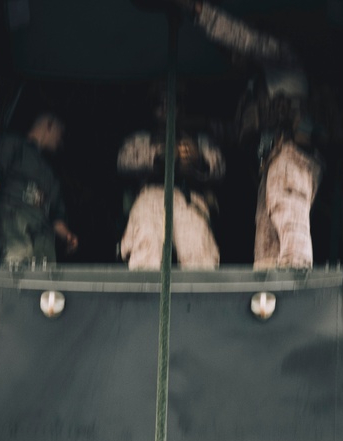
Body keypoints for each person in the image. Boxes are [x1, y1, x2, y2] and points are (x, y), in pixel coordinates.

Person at [172, 0, 322, 270]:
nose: (232, 57)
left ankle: (297, 266)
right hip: (270, 162)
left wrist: (198, 10)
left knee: (286, 200)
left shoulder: (284, 62)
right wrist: (196, 124)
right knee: (266, 232)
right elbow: (236, 132)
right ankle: (271, 285)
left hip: (292, 153)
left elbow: (249, 41)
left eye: (233, 51)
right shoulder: (252, 95)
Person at [117, 91, 225, 269]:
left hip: (189, 197)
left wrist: (198, 158)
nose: (167, 109)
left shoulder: (199, 139)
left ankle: (198, 294)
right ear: (152, 108)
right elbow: (123, 162)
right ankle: (145, 291)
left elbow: (219, 168)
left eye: (173, 103)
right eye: (161, 103)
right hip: (150, 194)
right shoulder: (141, 139)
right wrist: (158, 156)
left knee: (196, 245)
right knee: (146, 238)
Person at [0, 112, 79, 266]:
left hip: (43, 230)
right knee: (19, 263)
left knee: (47, 271)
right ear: (49, 126)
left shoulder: (50, 172)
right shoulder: (14, 144)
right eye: (60, 132)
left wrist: (67, 235)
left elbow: (56, 213)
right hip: (16, 218)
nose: (61, 139)